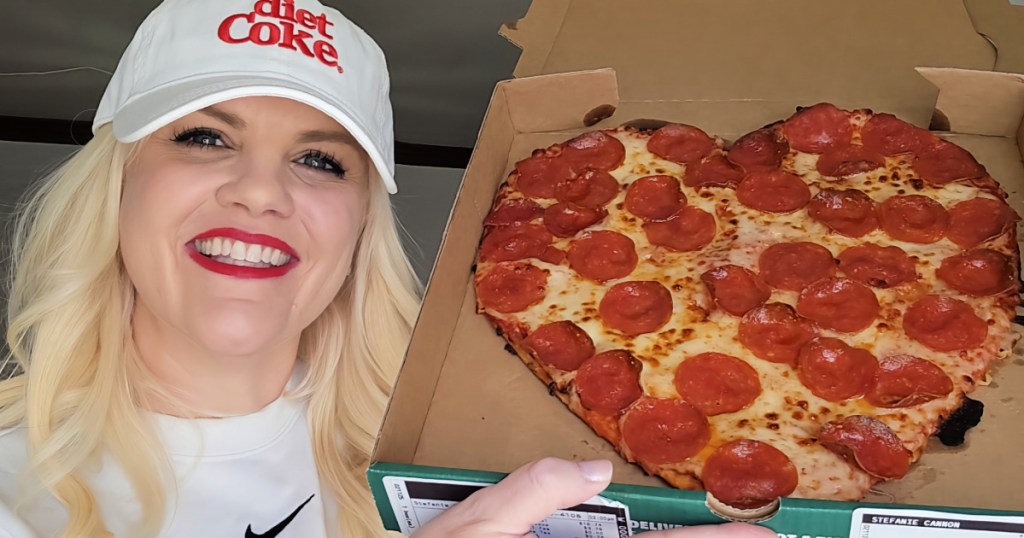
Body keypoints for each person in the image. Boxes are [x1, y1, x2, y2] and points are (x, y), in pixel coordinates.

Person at [0, 1, 776, 537]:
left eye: (319, 159)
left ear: (361, 222)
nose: (262, 192)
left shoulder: (472, 453)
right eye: (205, 137)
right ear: (116, 182)